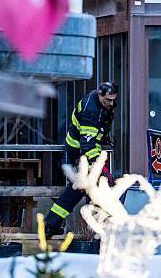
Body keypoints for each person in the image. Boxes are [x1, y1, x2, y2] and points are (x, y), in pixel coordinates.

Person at [46, 82, 119, 235]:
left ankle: (51, 224)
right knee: (79, 190)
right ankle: (52, 225)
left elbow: (97, 131)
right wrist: (101, 168)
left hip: (87, 151)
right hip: (78, 153)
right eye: (108, 100)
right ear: (100, 95)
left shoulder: (101, 104)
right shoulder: (90, 110)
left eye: (113, 100)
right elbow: (88, 144)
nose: (112, 104)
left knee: (80, 190)